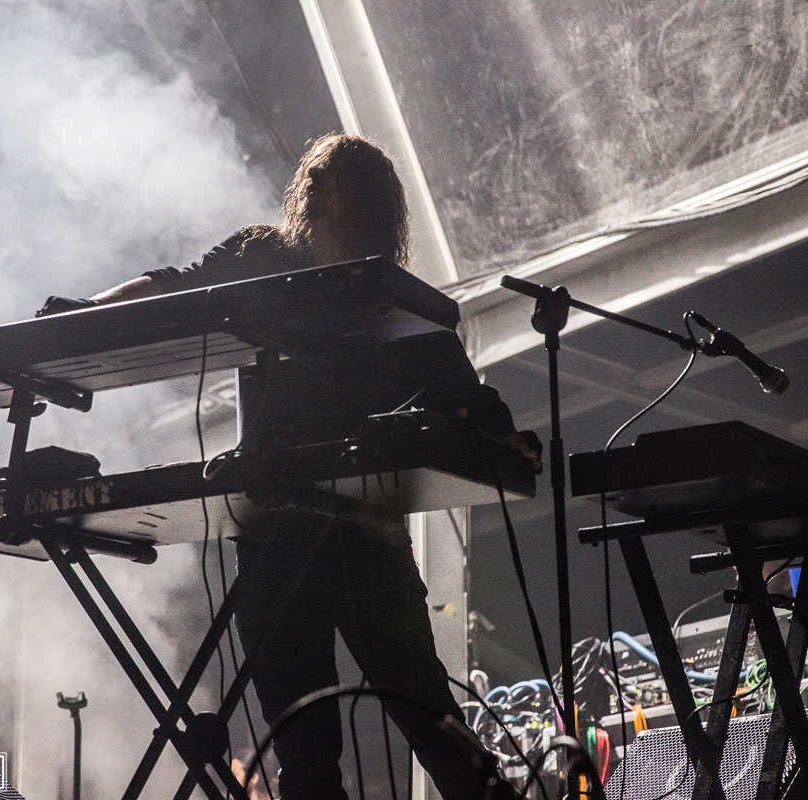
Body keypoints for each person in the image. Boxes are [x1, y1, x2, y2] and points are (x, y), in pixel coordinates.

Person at [41, 134, 541, 799]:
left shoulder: (387, 294)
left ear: (374, 212)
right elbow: (173, 287)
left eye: (351, 199)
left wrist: (503, 436)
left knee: (427, 714)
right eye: (329, 192)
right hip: (276, 532)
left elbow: (463, 392)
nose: (333, 208)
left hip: (364, 533)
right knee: (305, 754)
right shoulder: (260, 254)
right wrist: (86, 315)